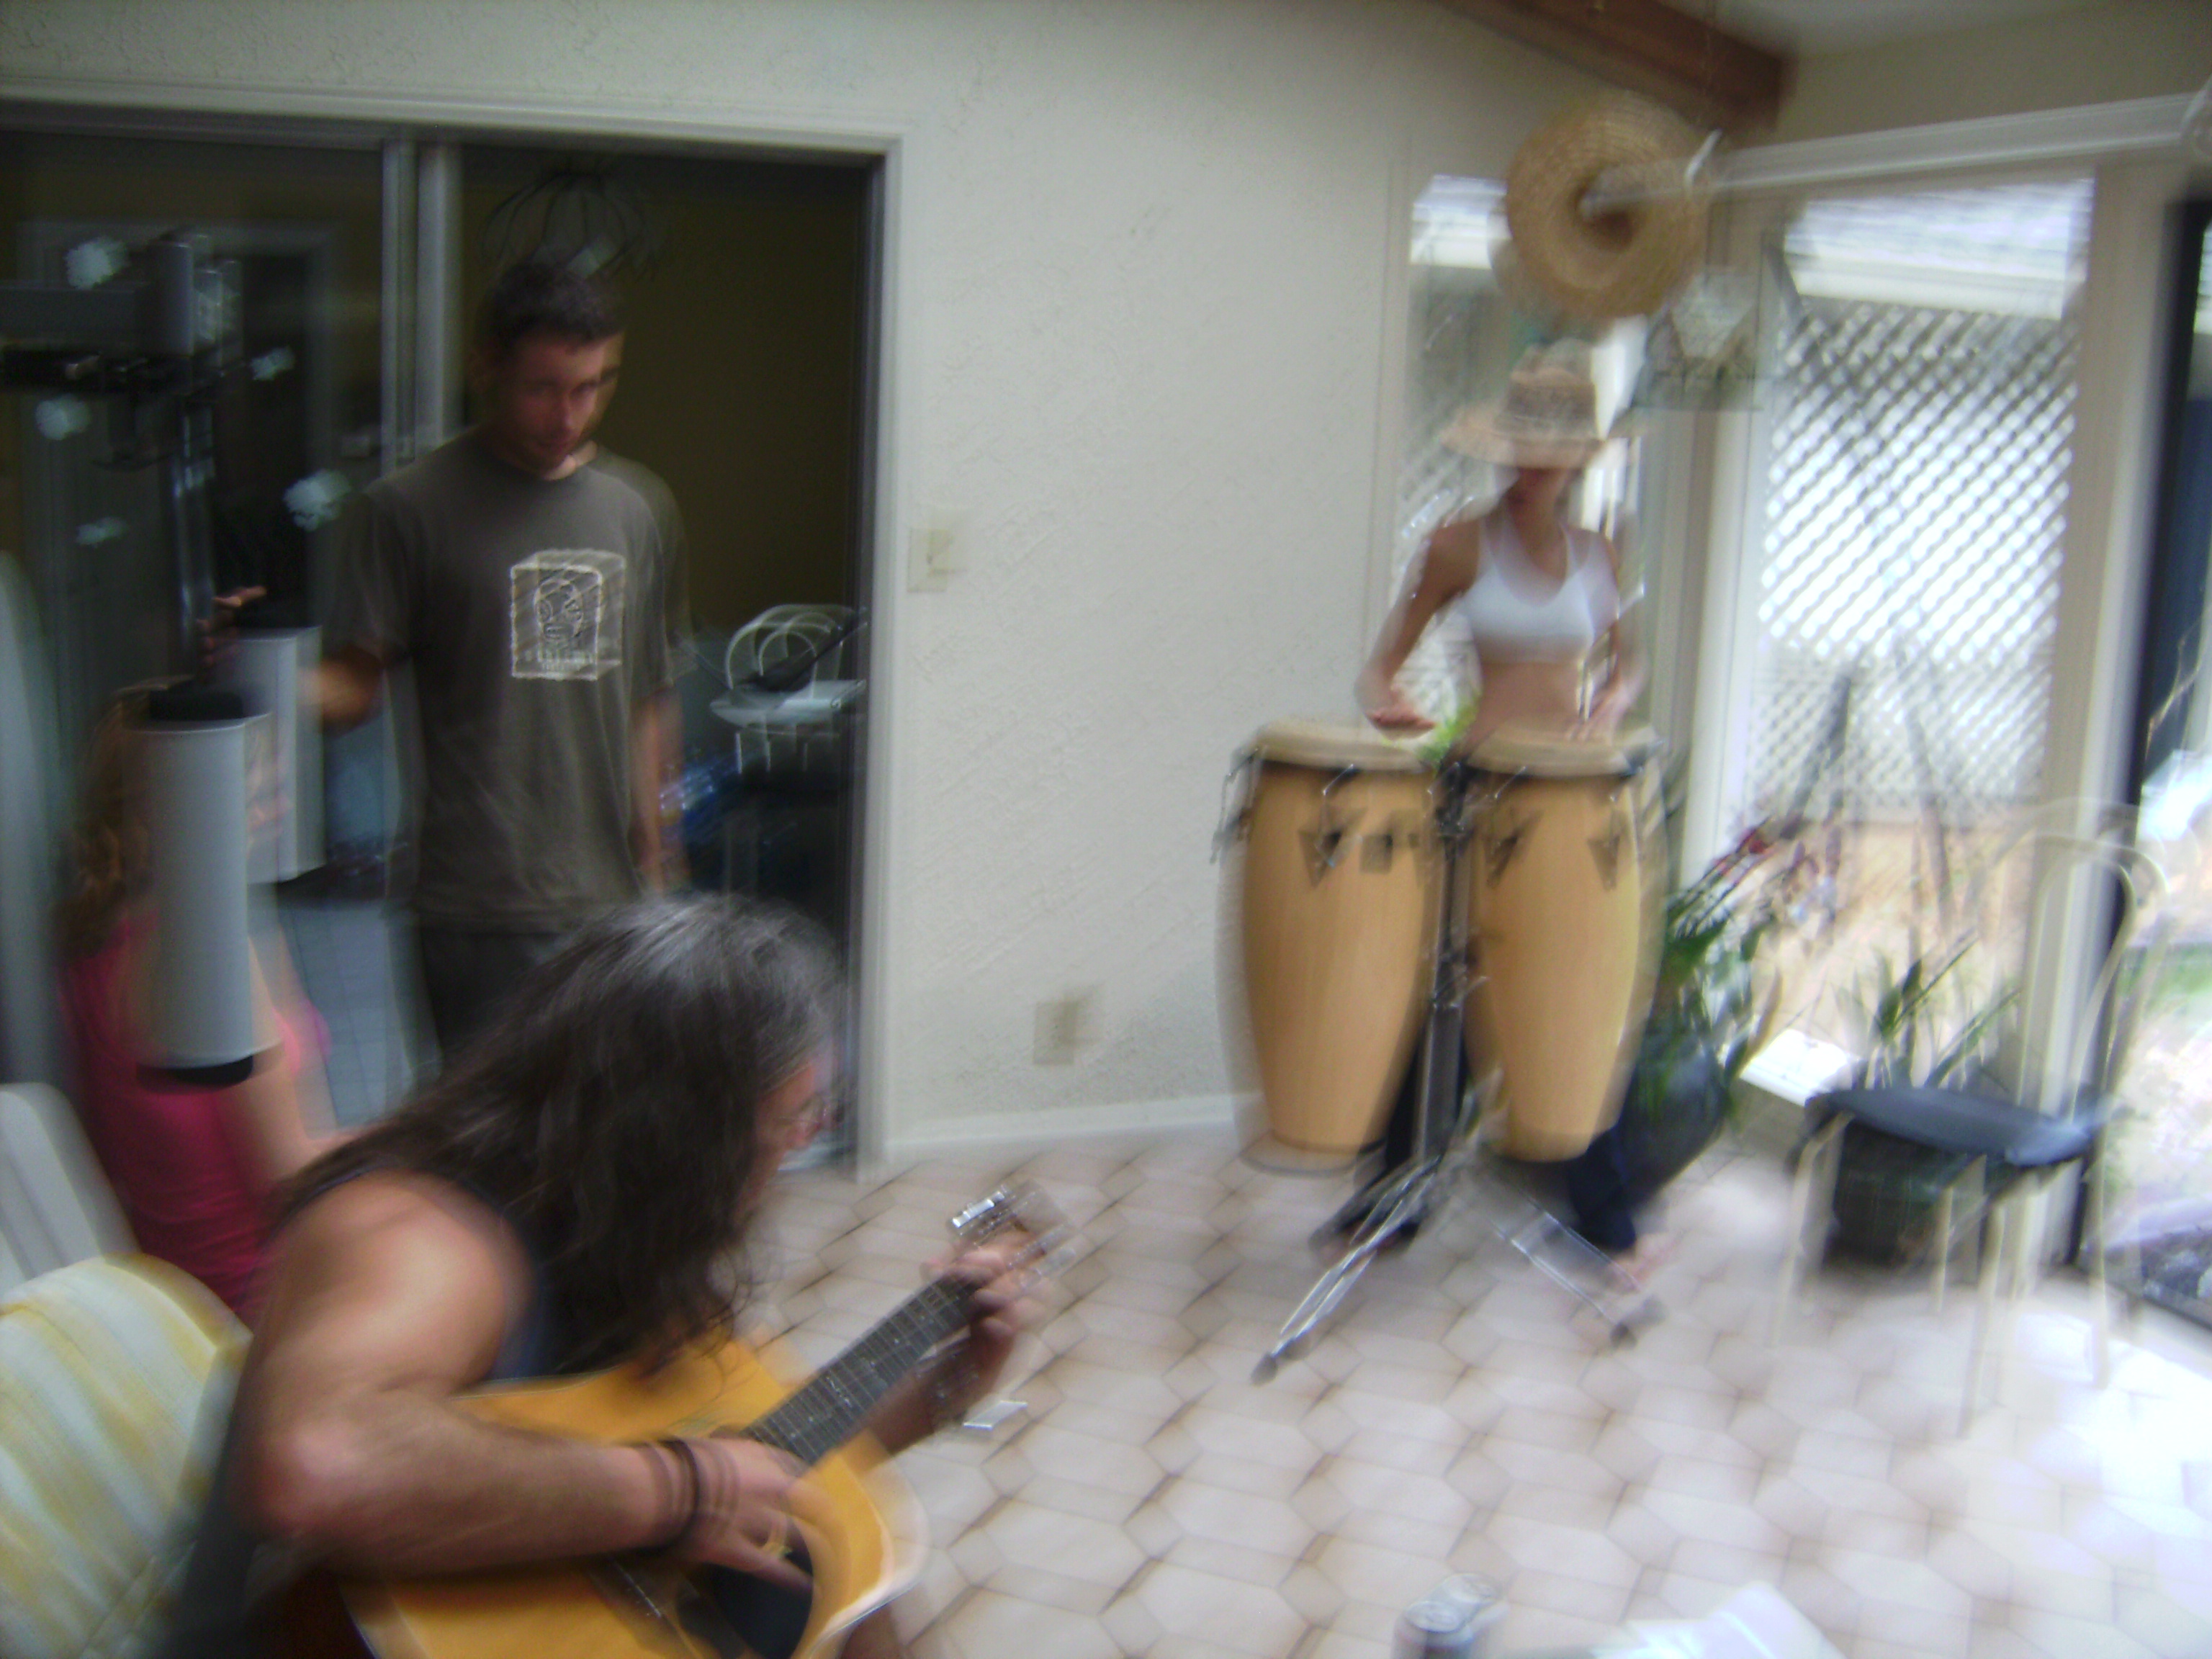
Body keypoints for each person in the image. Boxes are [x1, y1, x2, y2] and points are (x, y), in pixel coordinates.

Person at [156, 894, 1025, 1659]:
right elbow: (316, 1463)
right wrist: (678, 1492)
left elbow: (754, 1469)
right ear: (685, 1134)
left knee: (864, 1590)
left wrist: (941, 1390)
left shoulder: (616, 1233)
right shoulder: (424, 1238)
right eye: (792, 1121)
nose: (803, 1144)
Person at [311, 258, 688, 1061]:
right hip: (475, 905)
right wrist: (257, 677)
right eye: (543, 388)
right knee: (485, 1123)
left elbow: (648, 699)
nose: (569, 415)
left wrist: (660, 868)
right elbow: (351, 687)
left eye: (592, 386)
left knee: (605, 1117)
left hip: (608, 904)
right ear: (487, 366)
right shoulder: (407, 509)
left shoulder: (639, 509)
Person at [1356, 343, 1659, 1278]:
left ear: (1575, 463)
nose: (1529, 467)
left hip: (1571, 799)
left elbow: (1630, 663)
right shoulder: (1457, 545)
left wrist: (1610, 706)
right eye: (1519, 450)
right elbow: (1380, 665)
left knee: (1575, 995)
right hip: (1479, 791)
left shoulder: (1601, 554)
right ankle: (1392, 1200)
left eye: (1548, 454)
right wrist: (1386, 702)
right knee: (1445, 991)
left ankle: (1605, 1219)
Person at [55, 687, 342, 1321]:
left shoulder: (91, 943)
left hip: (170, 1296)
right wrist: (438, 1130)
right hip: (259, 1298)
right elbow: (293, 1175)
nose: (280, 809)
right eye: (259, 797)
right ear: (190, 809)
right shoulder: (217, 953)